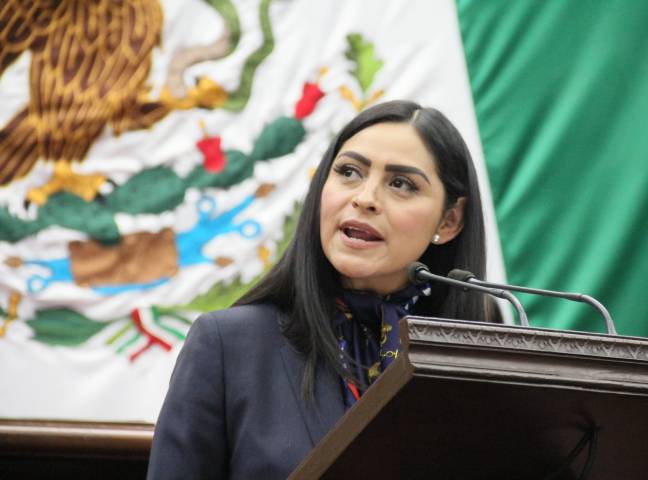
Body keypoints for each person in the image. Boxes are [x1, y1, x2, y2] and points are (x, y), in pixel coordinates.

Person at [147, 100, 498, 479]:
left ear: (449, 221)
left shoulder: (477, 356)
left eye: (400, 184)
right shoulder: (227, 344)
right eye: (349, 171)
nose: (365, 198)